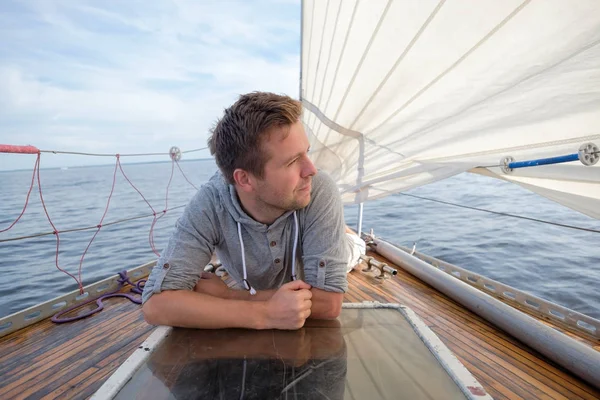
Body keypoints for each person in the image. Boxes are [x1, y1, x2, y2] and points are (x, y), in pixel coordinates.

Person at [142, 92, 365, 330]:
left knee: (353, 247)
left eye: (306, 152)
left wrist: (229, 297)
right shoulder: (211, 203)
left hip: (345, 250)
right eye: (292, 162)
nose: (311, 169)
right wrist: (265, 313)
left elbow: (329, 304)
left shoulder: (318, 189)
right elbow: (156, 304)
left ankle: (347, 235)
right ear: (245, 179)